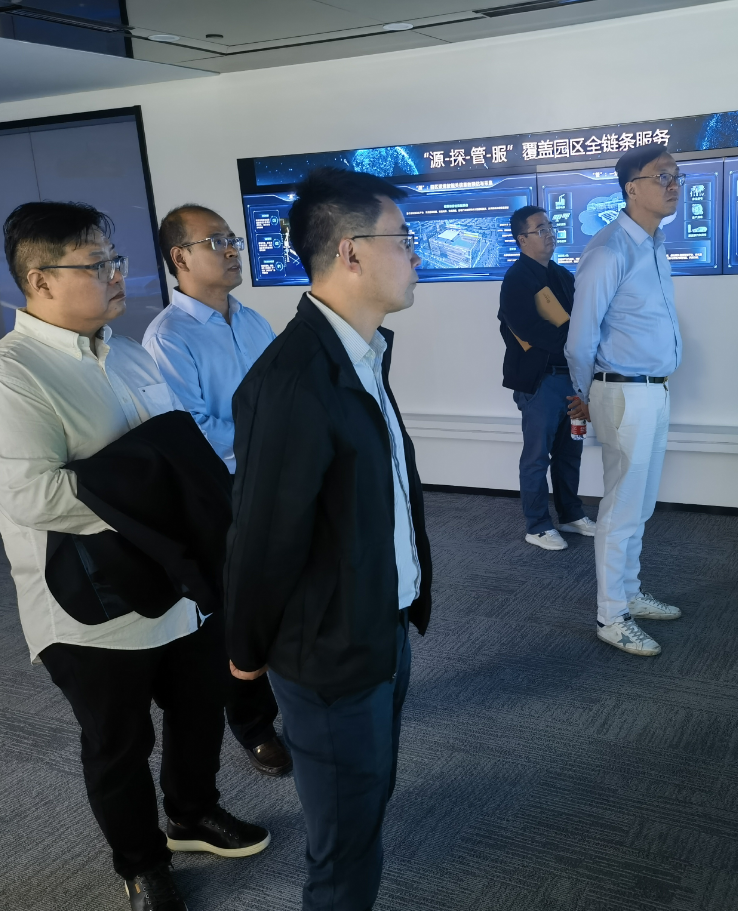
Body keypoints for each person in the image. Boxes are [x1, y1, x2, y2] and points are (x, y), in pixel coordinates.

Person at [0, 202, 269, 911]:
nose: (118, 275)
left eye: (116, 260)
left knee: (199, 707)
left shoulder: (126, 352)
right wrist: (163, 489)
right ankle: (141, 862)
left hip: (176, 579)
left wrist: (174, 489)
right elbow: (37, 495)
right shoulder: (8, 377)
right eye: (97, 265)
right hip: (92, 602)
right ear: (40, 280)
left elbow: (177, 452)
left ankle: (192, 812)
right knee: (118, 741)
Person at [224, 168, 433, 911]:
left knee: (366, 802)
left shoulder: (360, 352)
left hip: (378, 623)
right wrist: (245, 655)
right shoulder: (294, 380)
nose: (415, 253)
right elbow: (262, 537)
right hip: (331, 650)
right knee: (343, 847)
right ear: (350, 252)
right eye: (402, 238)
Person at [142, 204, 290, 778]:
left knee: (284, 591)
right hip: (222, 493)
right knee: (238, 610)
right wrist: (270, 432)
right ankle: (254, 726)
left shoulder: (251, 319)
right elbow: (192, 429)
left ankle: (295, 697)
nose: (233, 249)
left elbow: (281, 390)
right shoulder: (168, 337)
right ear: (180, 257)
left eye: (233, 239)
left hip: (275, 479)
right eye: (216, 241)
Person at [565, 144, 686, 657]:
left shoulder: (653, 245)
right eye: (663, 177)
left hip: (653, 390)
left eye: (677, 176)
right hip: (623, 392)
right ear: (632, 188)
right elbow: (579, 339)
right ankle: (611, 615)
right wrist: (583, 395)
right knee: (620, 506)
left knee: (641, 503)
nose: (674, 185)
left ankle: (630, 593)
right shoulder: (609, 250)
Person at [498, 204, 596, 550]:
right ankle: (537, 525)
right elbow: (527, 329)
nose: (549, 234)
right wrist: (573, 342)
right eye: (541, 229)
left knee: (570, 452)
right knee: (537, 456)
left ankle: (571, 514)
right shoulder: (516, 279)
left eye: (551, 227)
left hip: (572, 378)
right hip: (542, 382)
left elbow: (582, 319)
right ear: (522, 239)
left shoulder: (562, 275)